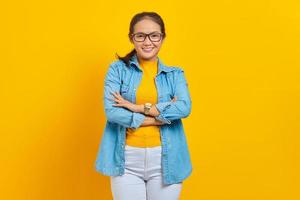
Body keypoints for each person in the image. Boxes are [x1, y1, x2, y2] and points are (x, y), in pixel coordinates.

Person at [95, 11, 193, 200]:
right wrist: (159, 119)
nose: (148, 42)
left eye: (154, 35)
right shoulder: (117, 70)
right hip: (126, 161)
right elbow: (112, 112)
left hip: (167, 161)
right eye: (140, 36)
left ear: (162, 38)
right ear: (132, 38)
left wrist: (136, 107)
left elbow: (183, 108)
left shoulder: (175, 75)